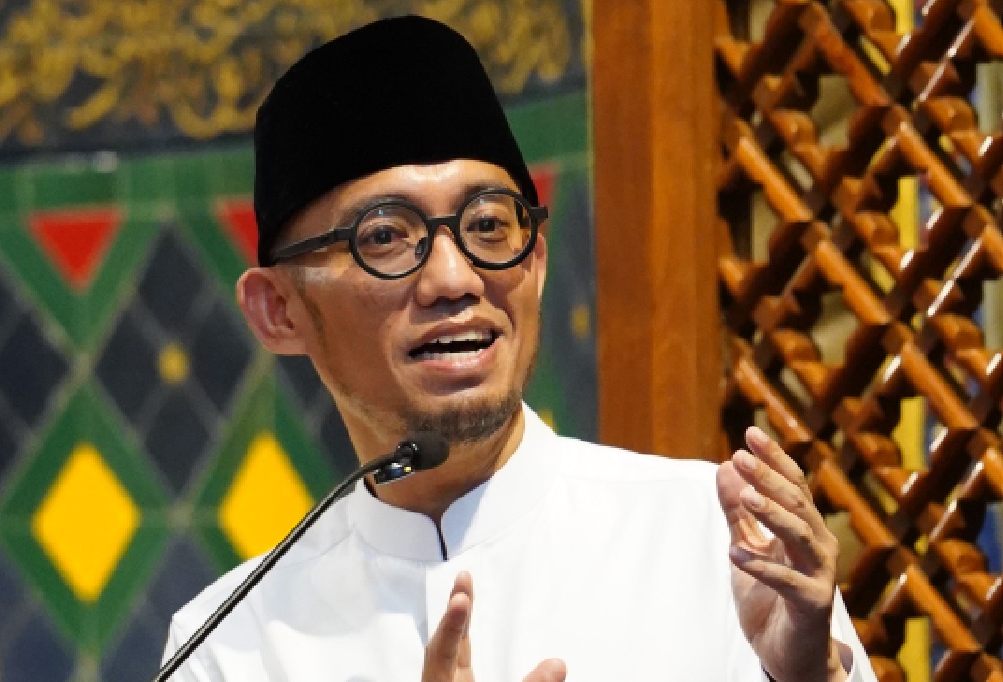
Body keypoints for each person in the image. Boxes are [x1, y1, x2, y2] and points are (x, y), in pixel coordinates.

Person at [162, 15, 877, 681]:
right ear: (278, 310)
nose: (453, 279)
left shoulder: (716, 546)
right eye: (384, 237)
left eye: (488, 225)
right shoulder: (231, 648)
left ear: (535, 262)